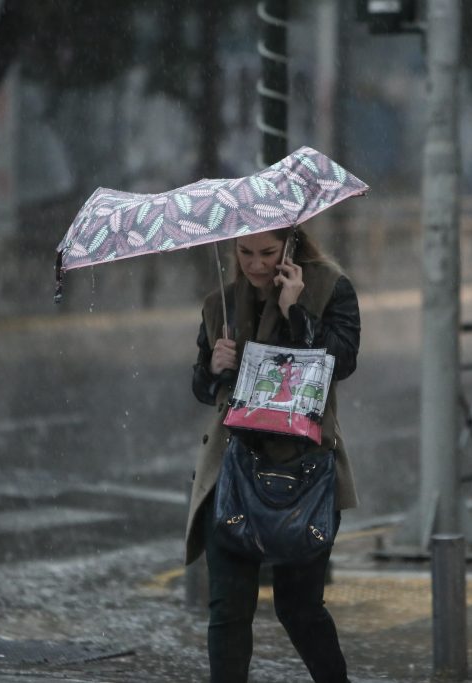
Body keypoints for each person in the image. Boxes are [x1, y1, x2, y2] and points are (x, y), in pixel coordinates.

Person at [185, 225, 361, 682]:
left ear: (291, 246)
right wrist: (213, 367)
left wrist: (296, 311)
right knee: (228, 608)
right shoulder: (219, 304)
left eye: (267, 252)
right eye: (245, 252)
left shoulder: (329, 289)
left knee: (299, 609)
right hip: (231, 470)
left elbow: (340, 363)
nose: (256, 264)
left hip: (302, 473)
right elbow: (203, 390)